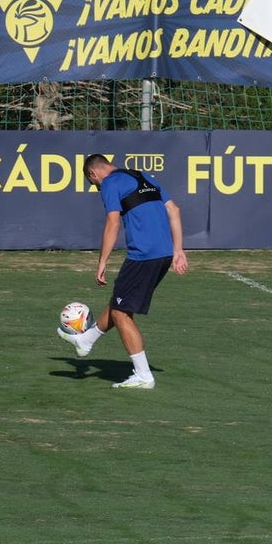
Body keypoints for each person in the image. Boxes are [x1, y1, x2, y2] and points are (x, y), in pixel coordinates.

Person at [57, 153, 188, 388]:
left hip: (143, 255)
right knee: (120, 302)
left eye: (94, 184)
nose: (98, 188)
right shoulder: (143, 176)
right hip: (164, 253)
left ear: (93, 174)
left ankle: (143, 375)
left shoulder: (109, 183)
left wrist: (102, 262)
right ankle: (86, 340)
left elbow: (113, 222)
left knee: (121, 313)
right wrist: (178, 249)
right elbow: (175, 210)